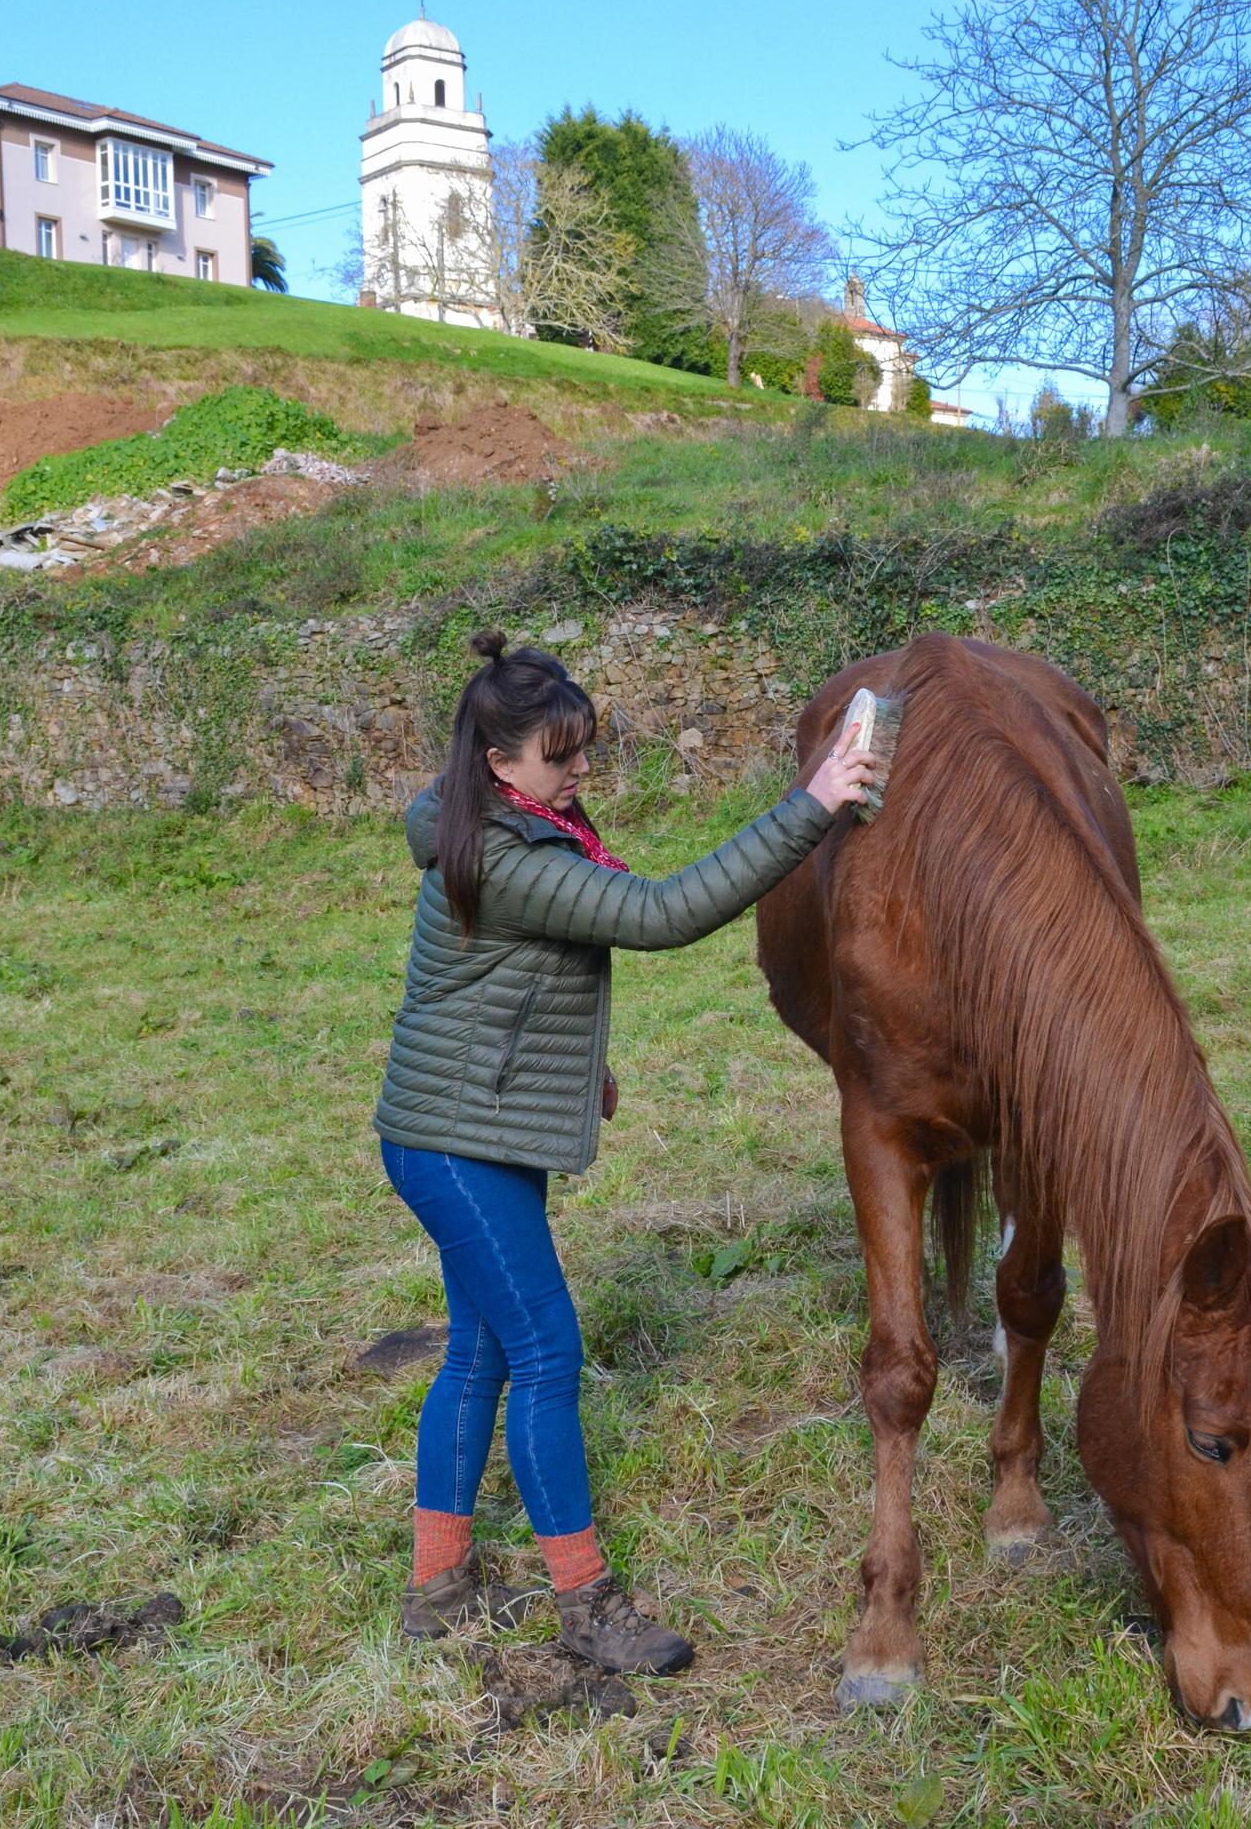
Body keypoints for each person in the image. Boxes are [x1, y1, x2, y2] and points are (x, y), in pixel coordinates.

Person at [373, 631, 876, 1675]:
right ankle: (585, 1602)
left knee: (481, 1350)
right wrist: (814, 800)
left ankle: (437, 1583)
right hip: (454, 1145)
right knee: (546, 1352)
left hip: (472, 1125)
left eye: (582, 750)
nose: (580, 772)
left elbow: (498, 990)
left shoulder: (500, 822)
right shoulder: (507, 854)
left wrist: (572, 1069)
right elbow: (658, 911)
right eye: (561, 756)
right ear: (498, 764)